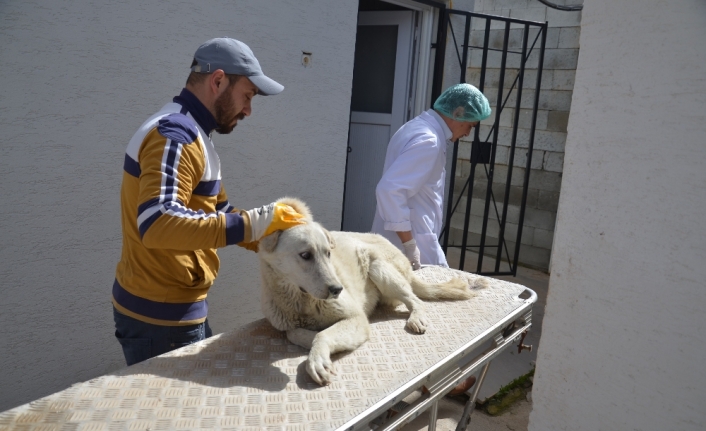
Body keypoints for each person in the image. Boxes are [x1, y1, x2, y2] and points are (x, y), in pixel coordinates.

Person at [112, 37, 305, 366]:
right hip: (160, 320)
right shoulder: (174, 134)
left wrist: (281, 237)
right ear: (218, 81)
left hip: (174, 313)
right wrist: (256, 221)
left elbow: (217, 214)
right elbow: (158, 223)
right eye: (248, 96)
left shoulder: (197, 136)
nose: (248, 110)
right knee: (171, 417)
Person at [371, 83, 491, 270]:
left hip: (401, 241)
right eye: (470, 125)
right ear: (458, 114)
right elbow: (389, 190)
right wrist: (410, 246)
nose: (468, 133)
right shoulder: (429, 141)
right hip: (408, 244)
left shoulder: (416, 127)